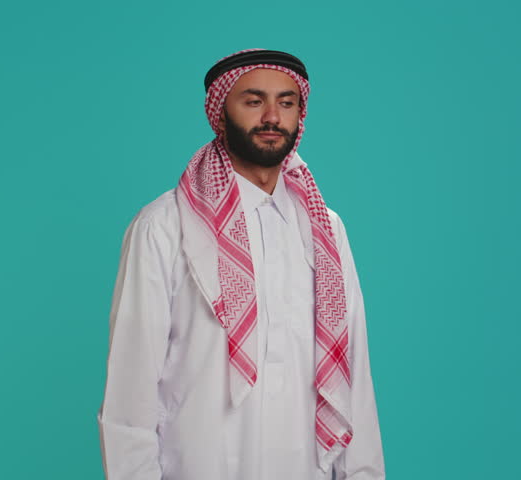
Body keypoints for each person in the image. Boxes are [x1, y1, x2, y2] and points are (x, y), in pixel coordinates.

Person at [97, 49, 385, 480]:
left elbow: (353, 376)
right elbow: (130, 393)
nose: (272, 116)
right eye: (254, 101)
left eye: (286, 103)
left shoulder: (327, 230)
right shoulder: (165, 226)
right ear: (220, 113)